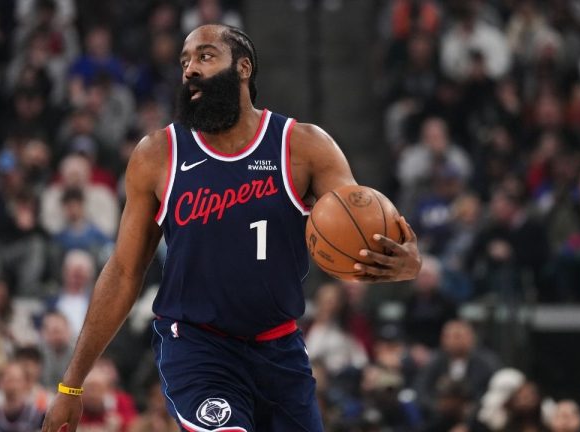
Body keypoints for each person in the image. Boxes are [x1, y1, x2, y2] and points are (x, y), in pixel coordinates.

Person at [42, 24, 421, 432]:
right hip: (197, 346)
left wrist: (406, 262)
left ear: (243, 68)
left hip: (281, 349)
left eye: (205, 56)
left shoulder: (303, 146)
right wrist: (71, 387)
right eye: (185, 61)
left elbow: (361, 224)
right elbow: (123, 272)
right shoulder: (157, 155)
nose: (189, 70)